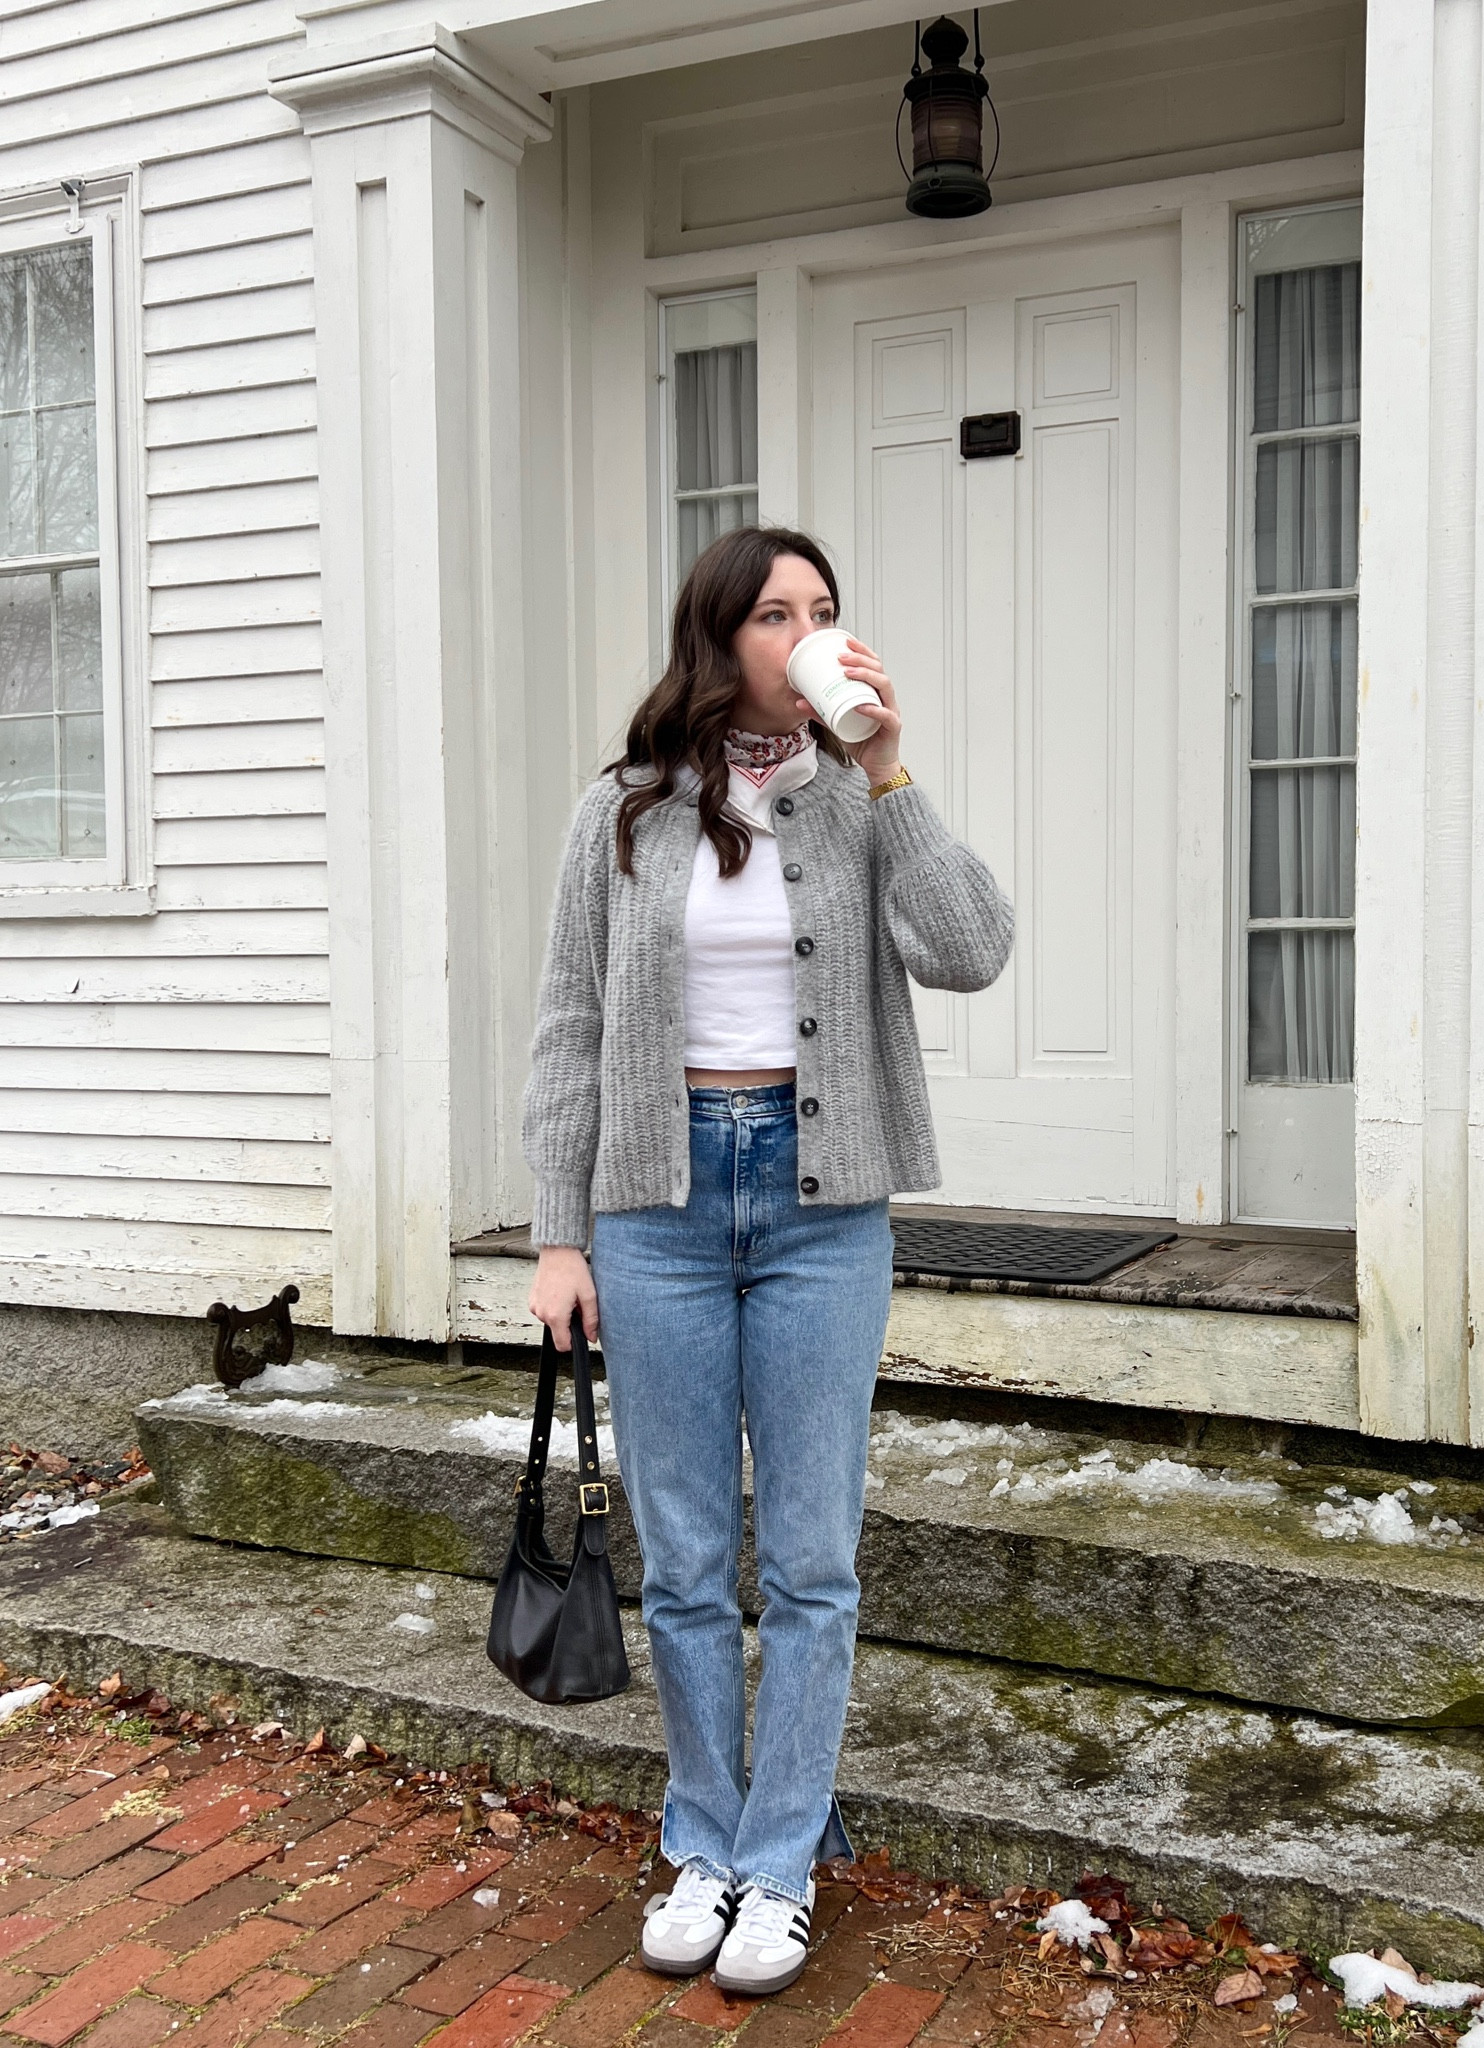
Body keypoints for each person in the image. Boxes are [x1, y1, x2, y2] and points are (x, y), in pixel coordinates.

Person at [523, 525, 1013, 1997]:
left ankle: (784, 1858)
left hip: (819, 1211)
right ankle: (704, 1839)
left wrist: (890, 766)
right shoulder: (622, 811)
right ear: (721, 637)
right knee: (683, 1562)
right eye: (780, 613)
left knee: (809, 1562)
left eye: (828, 611)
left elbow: (974, 947)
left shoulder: (864, 804)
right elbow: (565, 1026)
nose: (812, 633)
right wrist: (558, 1233)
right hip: (657, 1206)